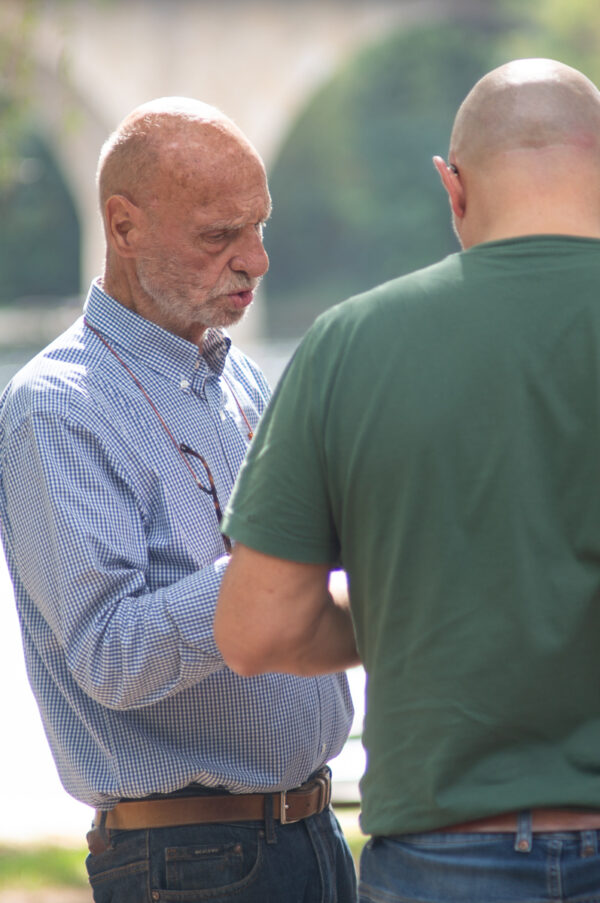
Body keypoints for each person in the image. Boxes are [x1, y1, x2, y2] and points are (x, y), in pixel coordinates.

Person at [215, 58, 600, 902]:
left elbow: (254, 628)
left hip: (443, 856)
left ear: (452, 187)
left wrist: (416, 609)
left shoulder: (350, 344)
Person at [0, 97, 357, 903]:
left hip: (308, 829)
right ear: (122, 229)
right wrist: (281, 558)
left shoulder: (237, 376)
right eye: (219, 235)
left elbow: (290, 603)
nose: (258, 260)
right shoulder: (57, 407)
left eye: (260, 226)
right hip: (193, 862)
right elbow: (111, 655)